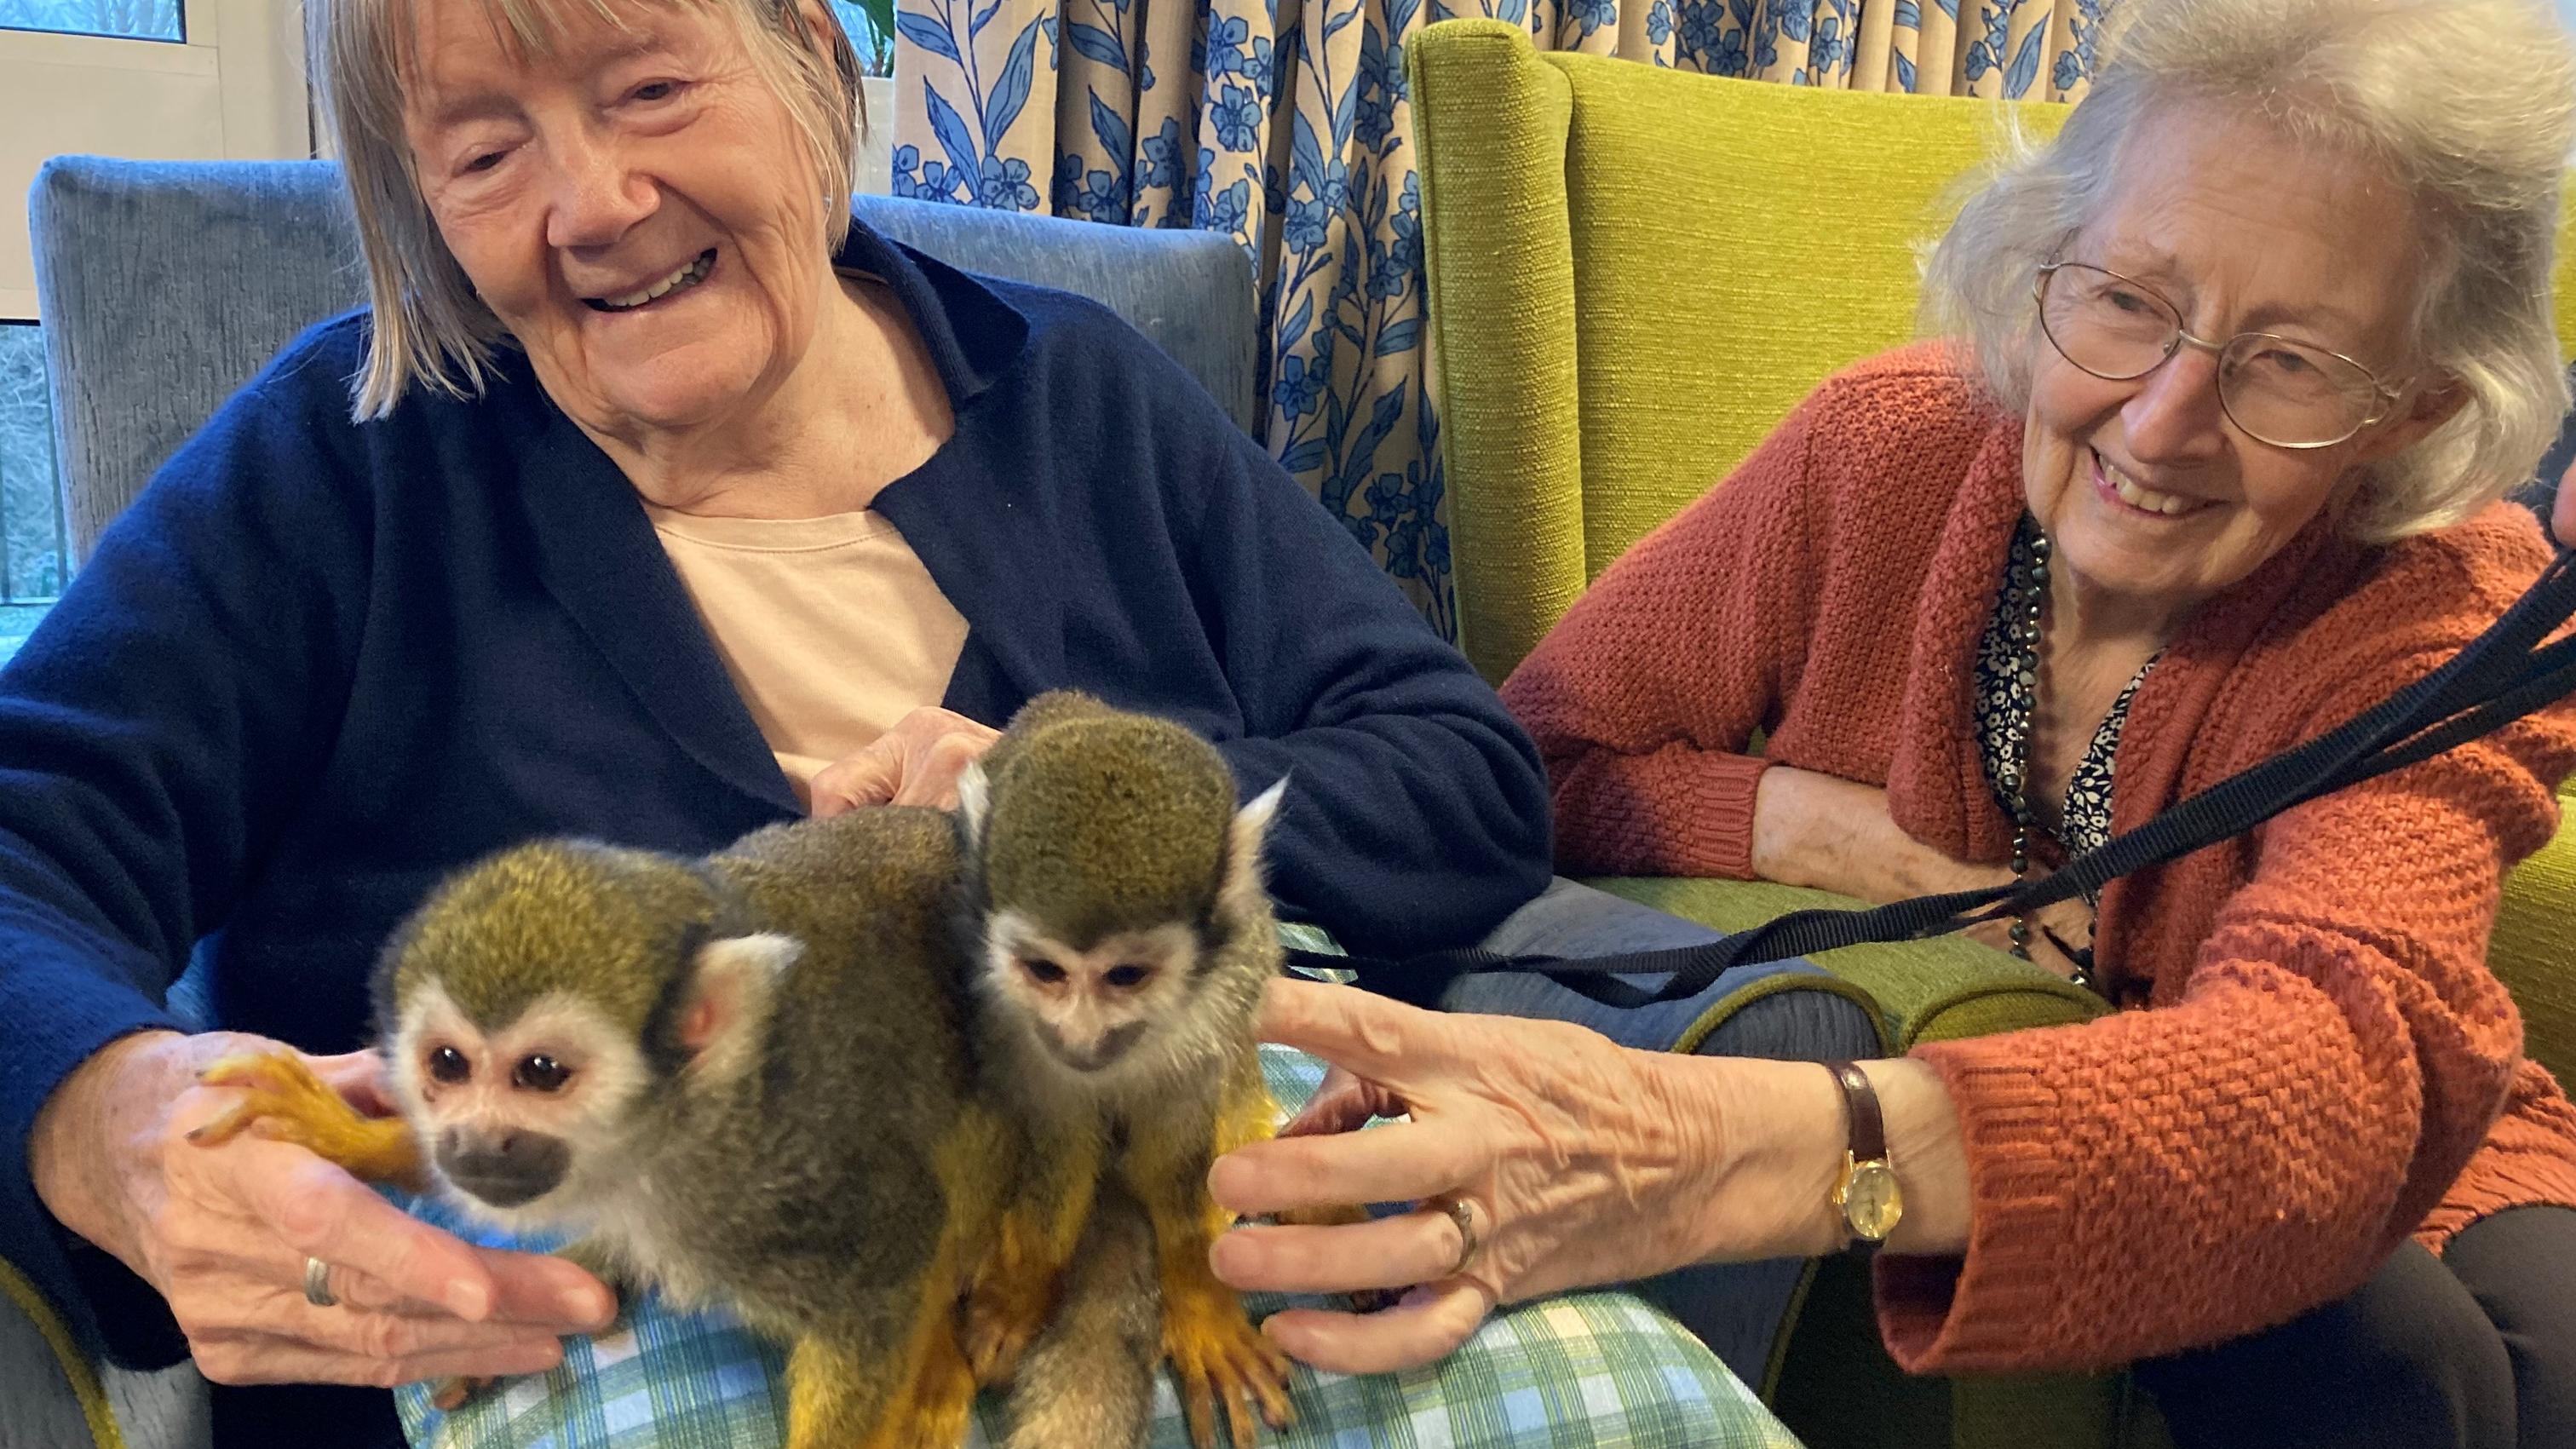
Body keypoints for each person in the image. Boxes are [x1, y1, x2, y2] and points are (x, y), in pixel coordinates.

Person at [0, 2, 1562, 1444]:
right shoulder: (347, 469)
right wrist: (111, 1119)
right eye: (485, 151)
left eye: (653, 87)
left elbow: (1465, 777)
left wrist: (1080, 812)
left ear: (812, 60)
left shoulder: (1084, 398)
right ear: (419, 205)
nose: (596, 201)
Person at [1207, 1, 2576, 1446]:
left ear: (2411, 415)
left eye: (2289, 361)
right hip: (2077, 1159)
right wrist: (1801, 825)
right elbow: (1527, 762)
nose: (2162, 420)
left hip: (2421, 1158)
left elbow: (2344, 1071)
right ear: (2042, 248)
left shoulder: (2435, 601)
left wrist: (1741, 1152)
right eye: (2125, 298)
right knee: (2393, 1365)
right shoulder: (1886, 450)